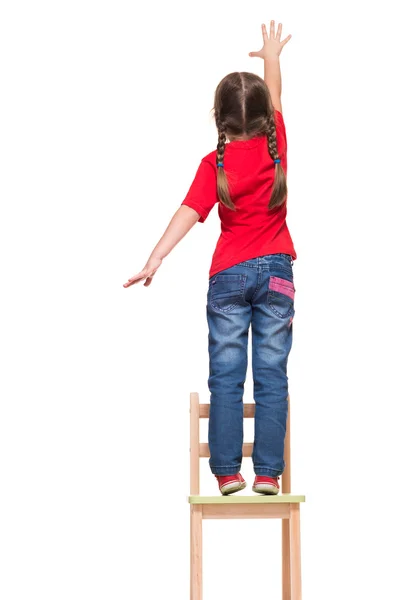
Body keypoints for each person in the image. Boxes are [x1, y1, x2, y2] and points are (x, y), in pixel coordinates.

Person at [124, 21, 296, 496]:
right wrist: (272, 57)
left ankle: (226, 473)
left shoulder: (213, 164)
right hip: (277, 272)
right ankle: (267, 473)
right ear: (265, 116)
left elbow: (188, 212)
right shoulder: (276, 141)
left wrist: (156, 257)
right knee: (271, 375)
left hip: (227, 277)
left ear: (218, 119)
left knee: (225, 374)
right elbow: (276, 96)